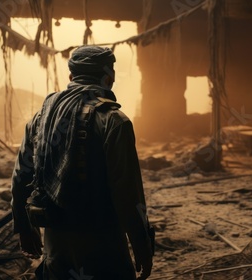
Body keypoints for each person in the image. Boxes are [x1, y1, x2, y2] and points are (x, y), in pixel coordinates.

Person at [11, 45, 154, 280]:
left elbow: (21, 177)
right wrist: (141, 246)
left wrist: (25, 228)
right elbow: (128, 195)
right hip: (104, 250)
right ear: (109, 77)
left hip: (56, 246)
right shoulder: (115, 122)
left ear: (71, 77)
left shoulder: (41, 118)